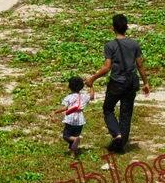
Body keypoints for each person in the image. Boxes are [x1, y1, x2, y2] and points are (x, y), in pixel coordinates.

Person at [85, 14, 150, 153]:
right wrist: (146, 83)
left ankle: (117, 135)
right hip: (132, 81)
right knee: (126, 113)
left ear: (112, 28)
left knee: (108, 109)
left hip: (117, 82)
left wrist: (92, 78)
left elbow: (107, 67)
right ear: (126, 27)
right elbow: (140, 65)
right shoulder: (134, 44)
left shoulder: (110, 45)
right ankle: (121, 145)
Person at [54, 77, 94, 156]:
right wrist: (91, 86)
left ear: (69, 87)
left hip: (70, 118)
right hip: (80, 119)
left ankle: (75, 140)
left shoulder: (68, 97)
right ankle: (73, 152)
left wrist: (55, 112)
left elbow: (65, 108)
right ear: (81, 87)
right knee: (76, 134)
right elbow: (92, 97)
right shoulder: (84, 96)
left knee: (66, 136)